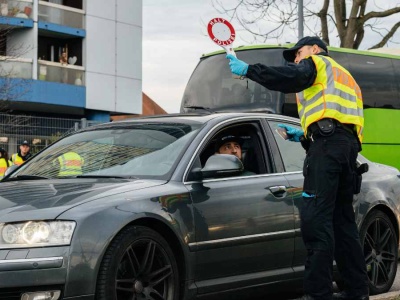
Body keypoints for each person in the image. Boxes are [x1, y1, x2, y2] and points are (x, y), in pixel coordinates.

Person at [226, 36, 368, 300]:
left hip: (327, 149)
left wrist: (249, 70)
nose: (296, 60)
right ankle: (357, 292)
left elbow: (289, 77)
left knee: (316, 222)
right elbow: (338, 119)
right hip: (346, 150)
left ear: (315, 49)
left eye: (298, 53)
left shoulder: (317, 62)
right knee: (342, 224)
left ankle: (317, 294)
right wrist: (305, 135)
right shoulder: (346, 77)